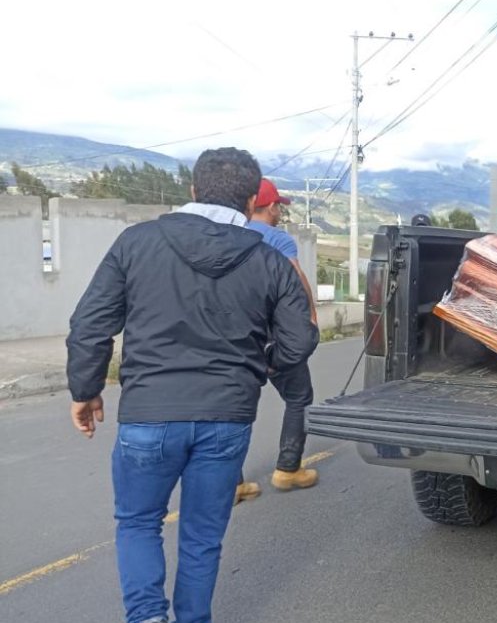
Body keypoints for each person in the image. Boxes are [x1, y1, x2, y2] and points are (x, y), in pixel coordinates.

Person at [66, 147, 319, 623]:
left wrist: (85, 389)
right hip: (227, 418)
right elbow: (301, 336)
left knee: (139, 524)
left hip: (148, 414)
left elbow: (89, 325)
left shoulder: (136, 242)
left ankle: (146, 618)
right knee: (203, 536)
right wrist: (259, 369)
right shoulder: (269, 259)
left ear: (193, 190)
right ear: (250, 201)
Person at [246, 178, 321, 491]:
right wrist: (311, 316)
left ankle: (231, 481)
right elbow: (295, 276)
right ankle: (287, 469)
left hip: (238, 334)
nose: (280, 212)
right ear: (272, 207)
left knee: (236, 404)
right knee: (299, 397)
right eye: (279, 206)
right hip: (276, 337)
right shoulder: (278, 239)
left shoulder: (230, 235)